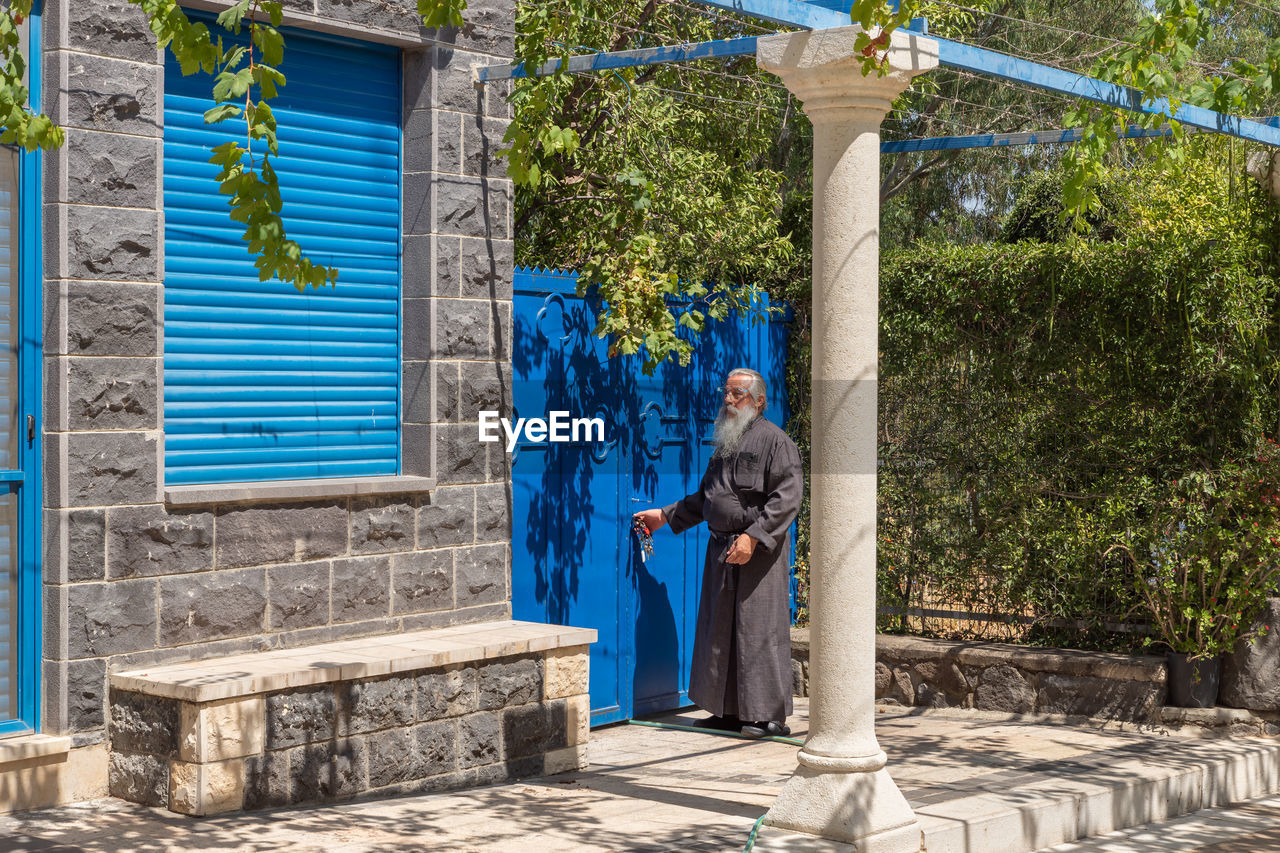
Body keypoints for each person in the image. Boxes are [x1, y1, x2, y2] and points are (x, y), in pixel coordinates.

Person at [633, 368, 804, 738]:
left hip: (757, 554)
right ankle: (726, 711)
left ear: (759, 401)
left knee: (758, 631)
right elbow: (709, 498)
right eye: (726, 392)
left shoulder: (776, 442)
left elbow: (787, 497)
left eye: (737, 394)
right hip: (721, 550)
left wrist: (754, 537)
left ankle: (766, 716)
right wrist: (665, 515)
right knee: (719, 629)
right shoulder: (726, 443)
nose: (728, 400)